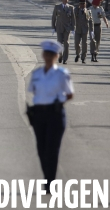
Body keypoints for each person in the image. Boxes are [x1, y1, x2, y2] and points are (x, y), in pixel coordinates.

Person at [27, 39, 74, 184]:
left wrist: (58, 103)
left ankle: (50, 181)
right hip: (39, 115)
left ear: (57, 56)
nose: (48, 57)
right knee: (41, 149)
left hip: (56, 115)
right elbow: (33, 91)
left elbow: (70, 93)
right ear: (43, 55)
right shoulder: (36, 74)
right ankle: (47, 176)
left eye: (52, 54)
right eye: (46, 54)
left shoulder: (62, 74)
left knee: (52, 149)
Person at [51, 0, 75, 64]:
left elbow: (73, 19)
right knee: (59, 43)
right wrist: (53, 27)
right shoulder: (57, 7)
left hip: (67, 28)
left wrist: (73, 28)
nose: (65, 0)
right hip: (59, 27)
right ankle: (60, 55)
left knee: (66, 44)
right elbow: (54, 18)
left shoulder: (71, 8)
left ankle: (65, 58)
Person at [73, 0, 94, 64]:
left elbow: (90, 21)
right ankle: (78, 54)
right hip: (77, 29)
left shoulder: (87, 11)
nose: (82, 5)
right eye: (81, 4)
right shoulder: (76, 10)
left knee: (84, 44)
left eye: (83, 4)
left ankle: (83, 57)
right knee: (76, 43)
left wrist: (92, 30)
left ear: (85, 4)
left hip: (85, 30)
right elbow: (73, 17)